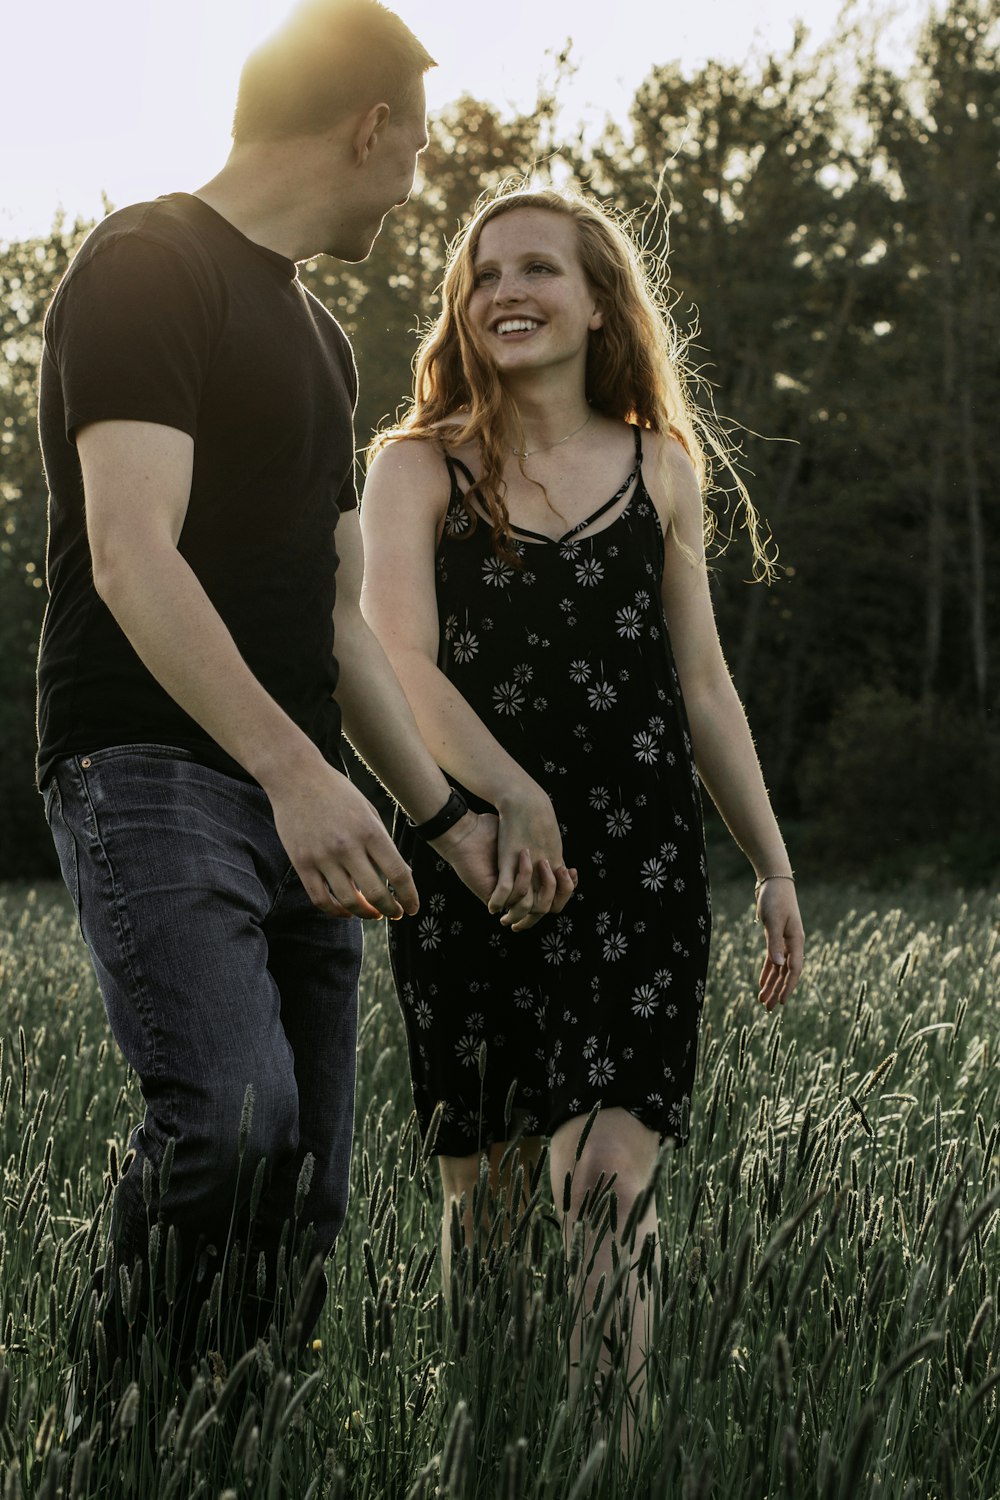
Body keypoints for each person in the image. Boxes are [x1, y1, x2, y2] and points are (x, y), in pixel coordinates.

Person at [37, 0, 575, 1404]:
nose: (414, 187)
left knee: (307, 1187)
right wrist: (290, 770)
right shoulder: (147, 265)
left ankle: (233, 1451)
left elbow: (338, 621)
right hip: (151, 769)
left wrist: (447, 815)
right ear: (370, 125)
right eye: (416, 151)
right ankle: (117, 1442)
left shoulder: (324, 343)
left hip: (304, 796)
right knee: (229, 1123)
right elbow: (128, 552)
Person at [359, 186, 805, 1447]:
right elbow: (397, 659)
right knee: (490, 1207)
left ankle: (612, 1462)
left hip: (639, 867)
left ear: (600, 301)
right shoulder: (416, 463)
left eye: (540, 269)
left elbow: (703, 684)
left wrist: (768, 860)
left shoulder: (663, 462)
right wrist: (508, 795)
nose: (506, 289)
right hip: (474, 862)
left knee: (605, 1181)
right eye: (485, 271)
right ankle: (493, 1451)